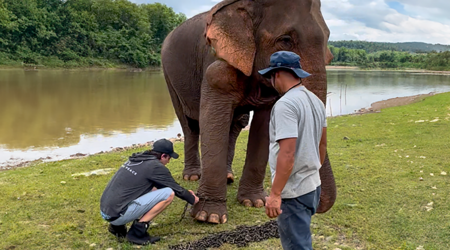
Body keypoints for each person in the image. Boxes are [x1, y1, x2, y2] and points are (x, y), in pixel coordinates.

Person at [259, 51, 327, 250]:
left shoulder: (285, 104)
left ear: (277, 74)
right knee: (302, 240)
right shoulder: (315, 100)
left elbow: (287, 153)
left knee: (297, 246)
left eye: (270, 76)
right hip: (312, 186)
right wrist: (312, 170)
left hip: (294, 191)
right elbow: (322, 145)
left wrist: (275, 194)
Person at [100, 138, 199, 245]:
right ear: (163, 156)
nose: (169, 162)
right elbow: (176, 188)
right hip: (117, 215)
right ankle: (137, 233)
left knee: (155, 188)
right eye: (169, 158)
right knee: (168, 193)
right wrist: (193, 199)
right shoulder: (155, 167)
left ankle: (117, 228)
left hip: (106, 212)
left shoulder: (136, 159)